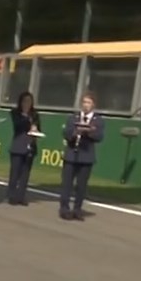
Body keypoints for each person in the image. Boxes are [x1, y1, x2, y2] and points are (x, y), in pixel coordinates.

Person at [58, 93, 104, 221]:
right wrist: (75, 132)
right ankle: (64, 209)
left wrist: (89, 132)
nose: (86, 105)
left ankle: (77, 210)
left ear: (93, 104)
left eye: (88, 102)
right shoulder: (73, 118)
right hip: (71, 154)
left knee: (81, 186)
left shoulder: (98, 120)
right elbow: (66, 133)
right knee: (66, 183)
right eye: (84, 102)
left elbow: (99, 136)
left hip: (86, 156)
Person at [6, 91, 40, 205]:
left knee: (25, 173)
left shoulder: (35, 115)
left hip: (30, 146)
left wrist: (36, 130)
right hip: (18, 146)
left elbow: (38, 128)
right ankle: (12, 195)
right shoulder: (15, 113)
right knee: (15, 172)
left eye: (29, 101)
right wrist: (27, 121)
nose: (27, 104)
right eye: (25, 101)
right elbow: (18, 125)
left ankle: (21, 196)